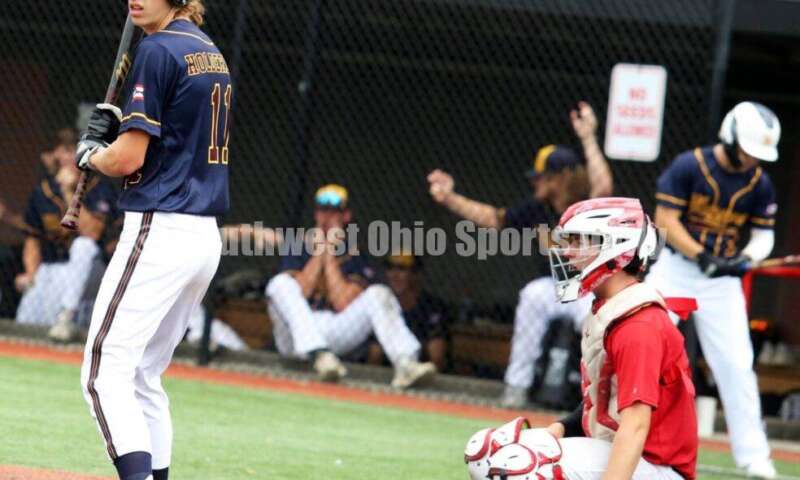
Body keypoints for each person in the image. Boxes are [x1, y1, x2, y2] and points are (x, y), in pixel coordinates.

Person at [75, 1, 229, 479]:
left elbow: (127, 159)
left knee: (102, 374)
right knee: (141, 375)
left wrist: (92, 152)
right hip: (202, 236)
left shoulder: (158, 49)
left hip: (160, 227)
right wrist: (115, 134)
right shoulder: (209, 51)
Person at [427, 102, 613, 407]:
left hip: (593, 288)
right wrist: (449, 198)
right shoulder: (537, 208)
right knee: (531, 294)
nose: (535, 182)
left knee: (596, 325)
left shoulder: (585, 202)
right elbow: (493, 219)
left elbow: (604, 186)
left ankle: (602, 395)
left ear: (563, 176)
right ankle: (517, 387)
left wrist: (589, 137)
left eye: (543, 176)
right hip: (557, 286)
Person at [646, 101, 780, 479]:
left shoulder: (761, 183)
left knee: (737, 365)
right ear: (732, 136)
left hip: (721, 284)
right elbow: (666, 220)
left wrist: (745, 258)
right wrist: (701, 254)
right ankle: (608, 430)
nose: (755, 160)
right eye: (751, 150)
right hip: (675, 270)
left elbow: (762, 236)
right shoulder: (689, 165)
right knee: (643, 343)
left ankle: (755, 457)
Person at [537, 197, 697, 479]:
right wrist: (563, 427)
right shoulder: (613, 307)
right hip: (637, 461)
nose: (568, 252)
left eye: (579, 241)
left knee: (527, 464)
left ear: (615, 247)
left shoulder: (638, 325)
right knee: (499, 451)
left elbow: (635, 425)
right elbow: (604, 396)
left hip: (657, 468)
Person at [264, 184, 437, 388]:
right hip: (294, 334)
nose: (326, 217)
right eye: (322, 210)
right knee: (279, 284)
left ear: (346, 216)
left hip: (334, 331)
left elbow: (342, 302)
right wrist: (320, 251)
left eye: (334, 212)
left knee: (379, 293)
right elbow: (299, 293)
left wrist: (328, 252)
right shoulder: (299, 247)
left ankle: (406, 363)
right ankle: (317, 353)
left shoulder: (356, 254)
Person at [15, 149, 117, 342]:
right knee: (26, 324)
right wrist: (31, 274)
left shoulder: (100, 188)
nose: (70, 157)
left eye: (75, 151)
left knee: (83, 246)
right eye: (65, 151)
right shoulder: (42, 191)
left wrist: (69, 192)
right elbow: (32, 239)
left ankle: (67, 315)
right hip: (52, 268)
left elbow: (92, 232)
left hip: (94, 273)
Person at [370, 251, 450, 371]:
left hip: (422, 375)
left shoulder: (431, 307)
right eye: (390, 268)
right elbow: (374, 354)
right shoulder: (383, 304)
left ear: (416, 274)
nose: (394, 275)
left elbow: (437, 359)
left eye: (402, 269)